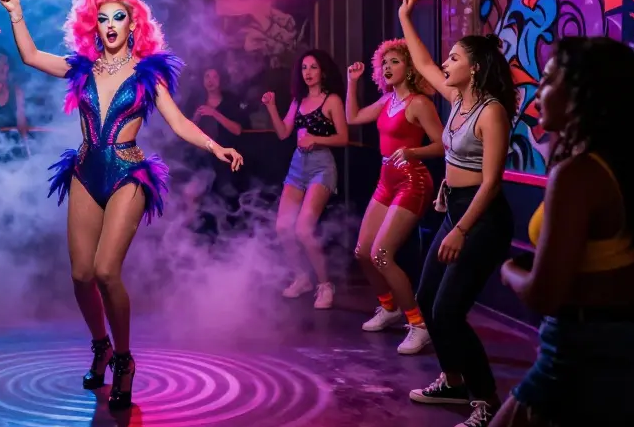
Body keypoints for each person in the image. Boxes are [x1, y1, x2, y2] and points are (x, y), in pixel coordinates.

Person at [0, 0, 243, 411]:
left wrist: (214, 145)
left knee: (107, 271)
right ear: (93, 25)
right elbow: (31, 55)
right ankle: (101, 347)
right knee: (80, 275)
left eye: (120, 17)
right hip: (85, 169)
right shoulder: (81, 67)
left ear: (134, 25)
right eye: (103, 18)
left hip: (129, 172)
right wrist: (16, 12)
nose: (111, 24)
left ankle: (125, 360)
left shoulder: (148, 74)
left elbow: (178, 121)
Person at [493, 37, 634, 427]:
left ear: (581, 91)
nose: (538, 92)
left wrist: (509, 270)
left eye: (547, 80)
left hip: (580, 352)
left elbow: (543, 295)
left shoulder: (577, 175)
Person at [396, 0, 516, 427]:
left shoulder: (493, 112)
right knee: (427, 300)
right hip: (457, 212)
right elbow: (423, 62)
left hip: (482, 220)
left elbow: (492, 182)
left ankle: (486, 400)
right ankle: (451, 379)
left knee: (448, 311)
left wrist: (460, 229)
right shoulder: (456, 97)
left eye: (454, 58)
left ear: (475, 67)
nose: (445, 64)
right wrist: (404, 17)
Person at [346, 40, 444, 355]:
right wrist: (351, 83)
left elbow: (443, 144)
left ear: (409, 67)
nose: (388, 68)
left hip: (412, 181)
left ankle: (420, 325)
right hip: (386, 179)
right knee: (362, 252)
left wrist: (413, 150)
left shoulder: (419, 103)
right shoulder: (387, 101)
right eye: (384, 63)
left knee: (381, 255)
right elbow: (353, 117)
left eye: (395, 62)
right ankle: (389, 309)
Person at [263, 49, 349, 309]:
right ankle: (302, 277)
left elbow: (343, 138)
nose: (308, 73)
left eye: (313, 68)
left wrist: (316, 139)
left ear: (322, 71)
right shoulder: (297, 100)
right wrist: (270, 108)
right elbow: (282, 133)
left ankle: (325, 285)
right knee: (282, 227)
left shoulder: (331, 100)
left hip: (322, 166)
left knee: (303, 229)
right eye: (304, 68)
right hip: (297, 165)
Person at [186, 67, 248, 238]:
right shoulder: (196, 101)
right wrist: (196, 118)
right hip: (202, 158)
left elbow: (237, 130)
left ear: (221, 80)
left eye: (215, 76)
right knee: (193, 196)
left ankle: (229, 242)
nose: (210, 80)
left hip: (225, 160)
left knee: (226, 200)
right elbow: (186, 130)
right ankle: (195, 238)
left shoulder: (230, 101)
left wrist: (215, 113)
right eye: (207, 76)